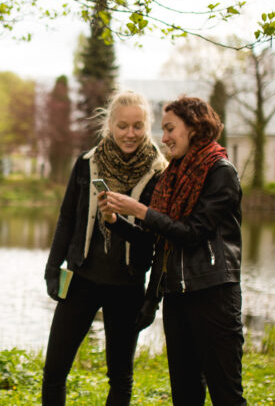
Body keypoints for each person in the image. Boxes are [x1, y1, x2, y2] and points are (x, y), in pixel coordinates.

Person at [100, 96, 246, 406]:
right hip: (177, 298)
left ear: (194, 128)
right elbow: (156, 239)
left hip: (214, 295)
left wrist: (140, 210)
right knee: (185, 395)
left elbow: (192, 233)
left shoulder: (221, 172)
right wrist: (115, 220)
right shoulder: (172, 177)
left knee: (227, 396)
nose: (163, 138)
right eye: (163, 130)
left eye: (170, 129)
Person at [42, 90, 168, 406]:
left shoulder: (159, 173)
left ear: (147, 125)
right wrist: (52, 269)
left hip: (127, 286)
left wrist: (151, 299)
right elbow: (67, 218)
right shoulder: (87, 163)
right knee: (54, 371)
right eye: (122, 125)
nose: (130, 133)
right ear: (110, 125)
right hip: (81, 277)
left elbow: (155, 241)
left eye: (138, 126)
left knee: (120, 377)